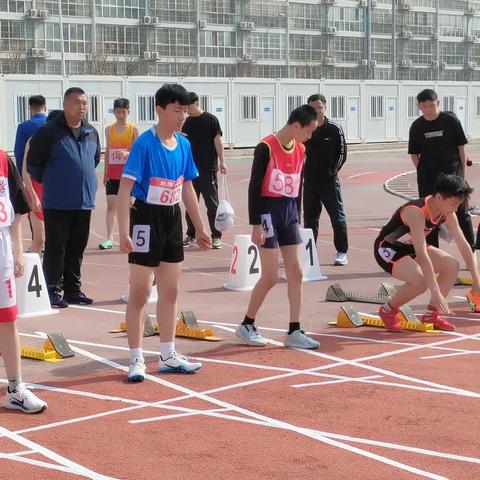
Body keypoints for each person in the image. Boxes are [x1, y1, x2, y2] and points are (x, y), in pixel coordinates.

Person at [117, 84, 211, 382]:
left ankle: (168, 354)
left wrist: (199, 226)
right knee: (141, 292)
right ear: (159, 110)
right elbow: (124, 190)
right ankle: (135, 357)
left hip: (172, 219)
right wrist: (123, 232)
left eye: (185, 110)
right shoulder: (144, 144)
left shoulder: (184, 144)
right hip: (146, 217)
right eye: (176, 110)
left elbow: (187, 187)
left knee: (170, 291)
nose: (182, 116)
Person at [235, 105, 320, 349]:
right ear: (296, 126)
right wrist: (255, 225)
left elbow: (299, 186)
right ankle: (247, 324)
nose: (310, 136)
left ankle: (294, 329)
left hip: (289, 213)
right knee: (270, 276)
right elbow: (254, 188)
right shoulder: (266, 147)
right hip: (267, 213)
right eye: (309, 131)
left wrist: (299, 217)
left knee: (296, 271)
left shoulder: (301, 149)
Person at [374, 174, 480, 332]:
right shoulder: (416, 212)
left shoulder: (448, 212)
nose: (455, 209)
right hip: (389, 249)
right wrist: (435, 292)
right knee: (421, 281)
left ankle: (432, 315)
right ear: (438, 197)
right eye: (453, 204)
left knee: (451, 265)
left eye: (458, 205)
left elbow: (464, 244)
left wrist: (476, 280)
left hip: (411, 247)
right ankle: (388, 311)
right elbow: (422, 255)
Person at [27, 88, 100, 308]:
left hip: (84, 202)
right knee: (56, 248)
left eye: (85, 103)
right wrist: (56, 182)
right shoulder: (49, 132)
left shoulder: (91, 132)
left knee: (77, 248)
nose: (82, 108)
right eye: (77, 103)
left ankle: (73, 290)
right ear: (66, 104)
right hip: (57, 202)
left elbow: (94, 160)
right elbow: (34, 164)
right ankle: (51, 290)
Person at [0, 148, 47, 413]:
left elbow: (17, 208)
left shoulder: (3, 160)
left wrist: (18, 251)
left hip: (3, 248)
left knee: (8, 319)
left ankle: (15, 388)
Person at [408, 89, 474, 249]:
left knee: (461, 212)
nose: (428, 110)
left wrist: (462, 175)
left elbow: (461, 148)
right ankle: (434, 252)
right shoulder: (417, 126)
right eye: (424, 107)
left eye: (432, 106)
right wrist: (421, 171)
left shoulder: (450, 121)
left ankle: (470, 249)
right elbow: (414, 154)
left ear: (438, 103)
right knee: (429, 214)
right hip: (428, 178)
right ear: (419, 106)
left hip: (452, 175)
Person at [303, 94, 348, 266]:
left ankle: (342, 252)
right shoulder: (305, 129)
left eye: (319, 107)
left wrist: (332, 172)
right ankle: (309, 251)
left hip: (329, 182)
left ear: (325, 107)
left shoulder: (335, 129)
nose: (316, 111)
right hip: (310, 183)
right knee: (310, 219)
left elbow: (342, 154)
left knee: (337, 217)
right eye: (312, 108)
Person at [181, 92, 226, 249]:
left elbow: (217, 141)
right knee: (190, 202)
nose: (186, 110)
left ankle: (216, 236)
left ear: (196, 103)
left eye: (188, 107)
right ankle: (191, 235)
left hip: (208, 169)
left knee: (212, 204)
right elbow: (182, 142)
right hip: (191, 170)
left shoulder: (211, 120)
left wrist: (222, 161)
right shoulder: (187, 122)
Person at [99, 98, 139, 250]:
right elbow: (108, 150)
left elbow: (137, 152)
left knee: (129, 205)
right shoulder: (109, 129)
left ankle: (129, 236)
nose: (121, 115)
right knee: (111, 205)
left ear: (128, 112)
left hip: (128, 174)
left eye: (123, 112)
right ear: (114, 112)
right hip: (113, 173)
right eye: (118, 112)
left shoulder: (133, 129)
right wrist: (105, 172)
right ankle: (109, 238)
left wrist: (127, 154)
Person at [21, 110, 62, 254]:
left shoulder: (66, 141)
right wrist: (32, 195)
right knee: (39, 239)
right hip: (37, 191)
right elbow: (25, 170)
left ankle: (57, 274)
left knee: (59, 240)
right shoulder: (34, 140)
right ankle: (34, 271)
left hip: (59, 196)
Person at [14, 95, 48, 253]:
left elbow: (19, 152)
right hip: (50, 174)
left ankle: (37, 242)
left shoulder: (24, 127)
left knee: (34, 210)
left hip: (31, 175)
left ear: (30, 108)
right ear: (45, 107)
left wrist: (21, 176)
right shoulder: (52, 123)